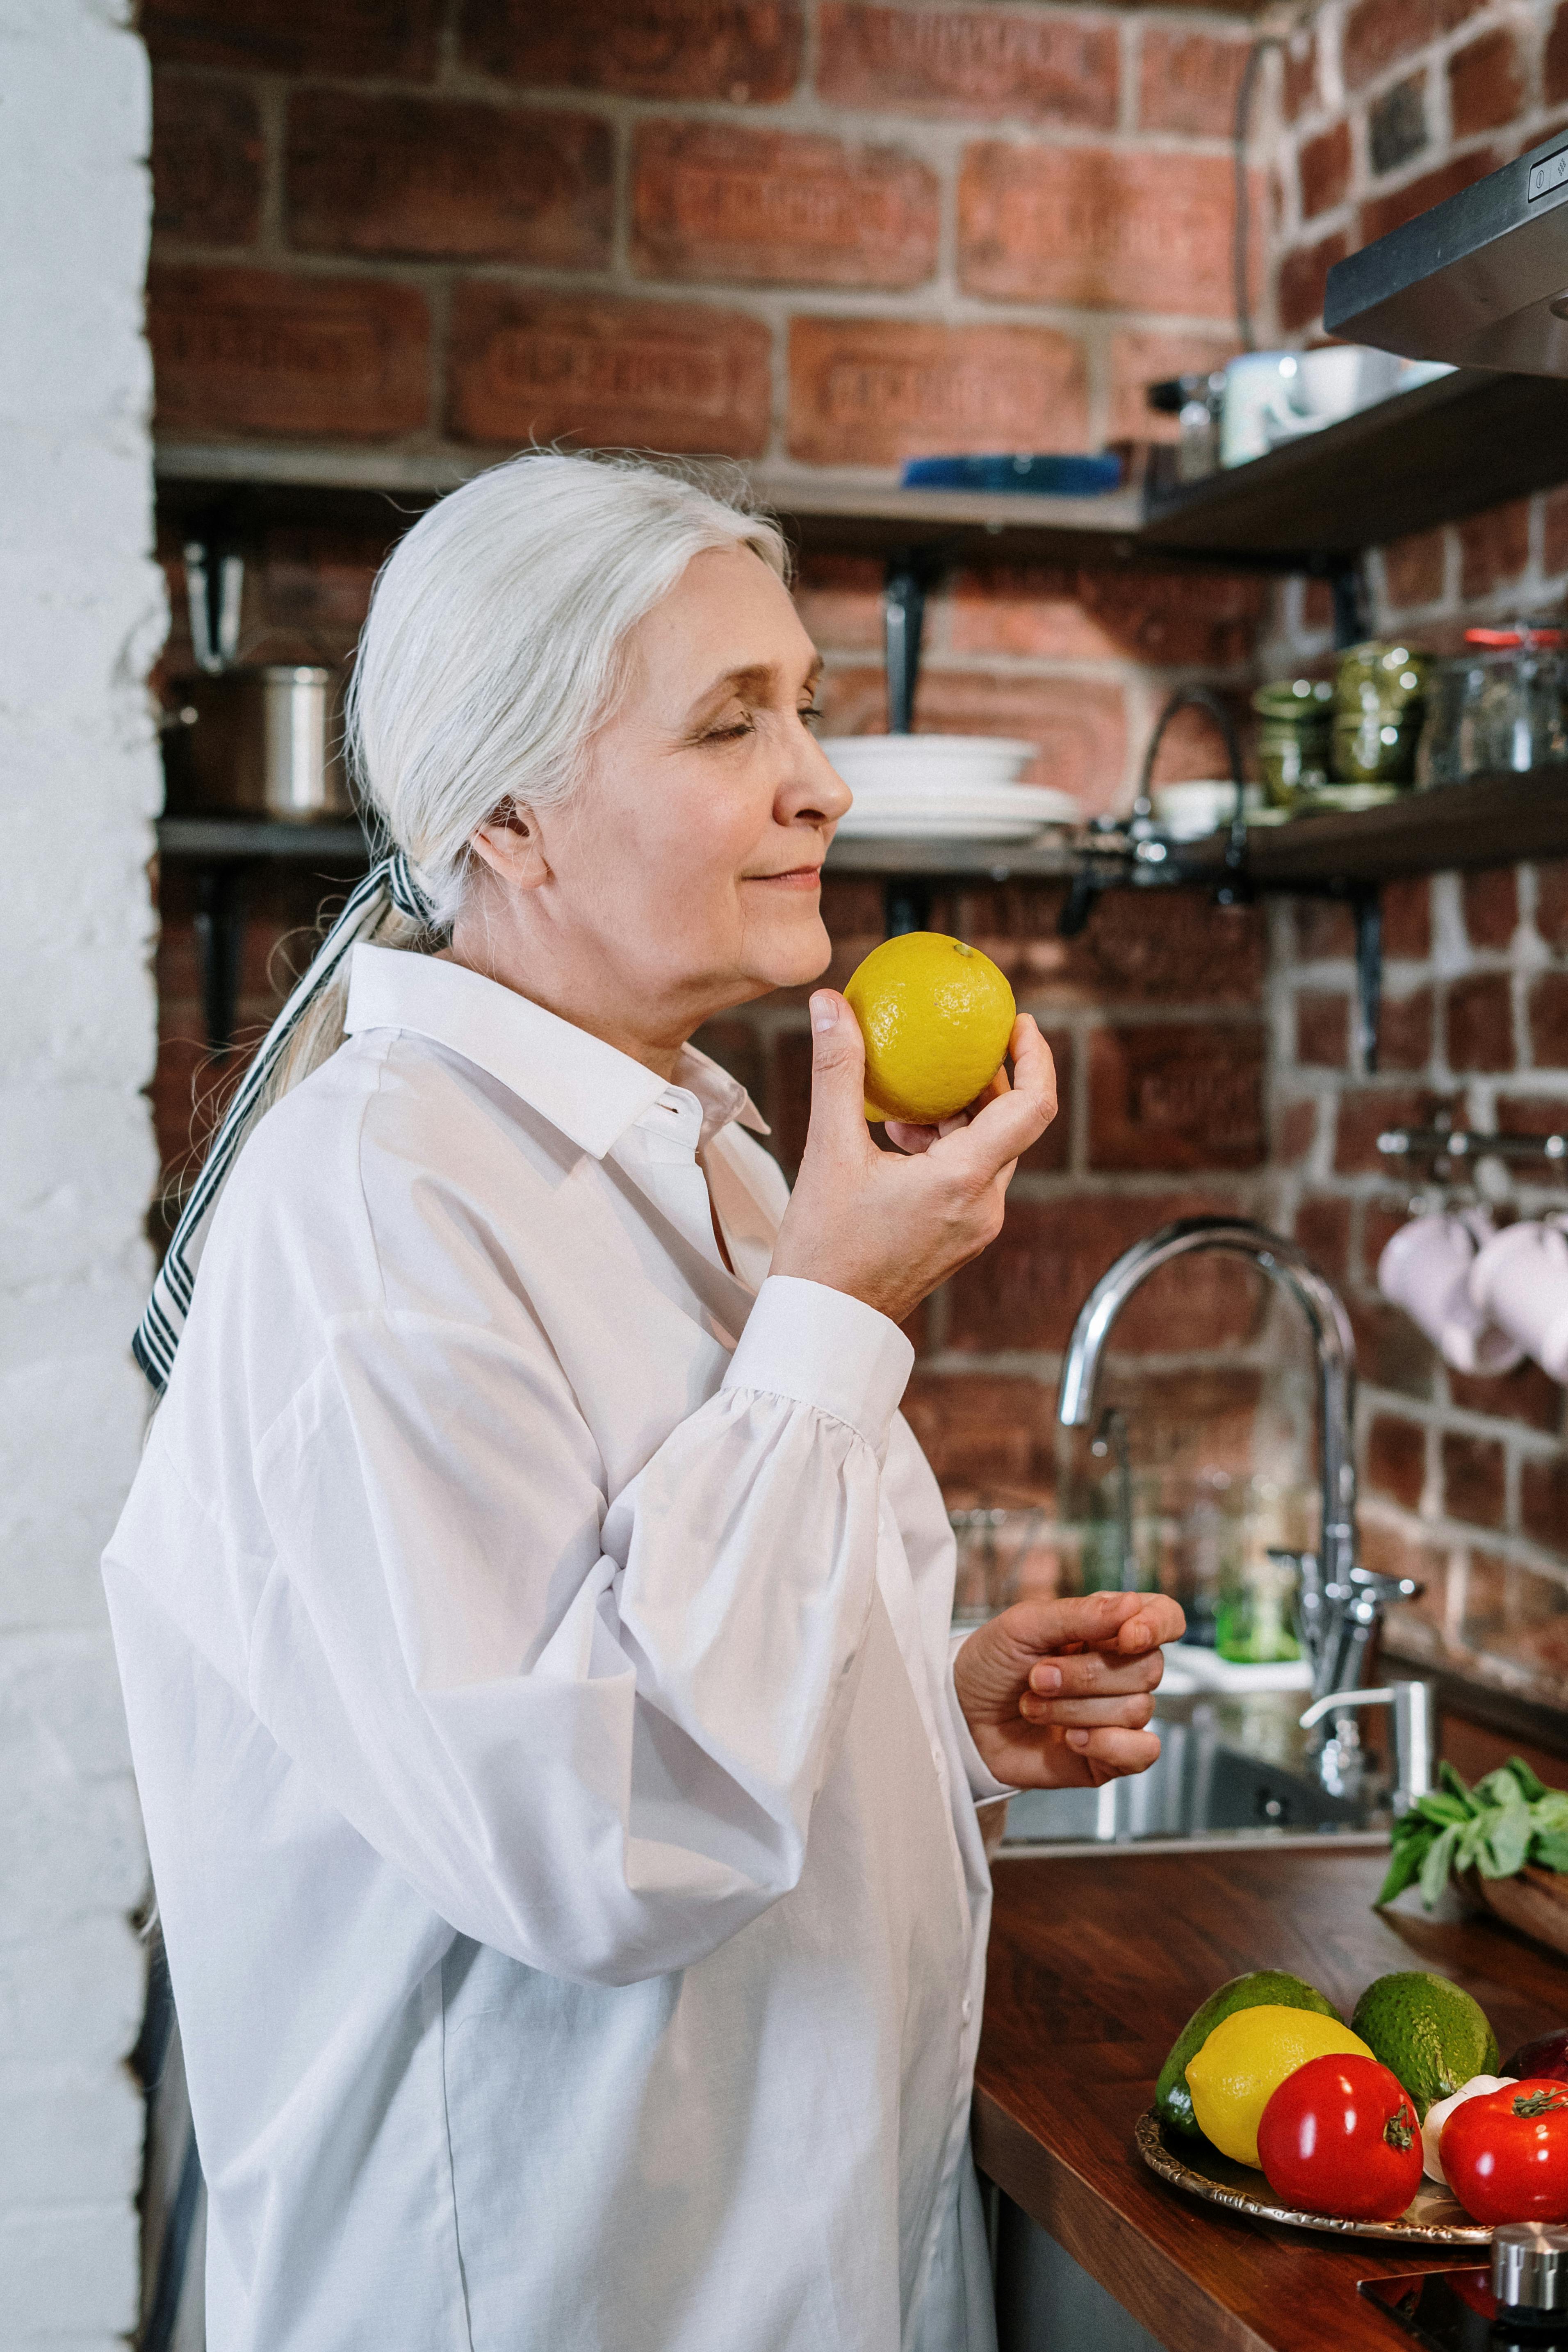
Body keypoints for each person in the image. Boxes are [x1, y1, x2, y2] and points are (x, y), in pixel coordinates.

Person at [105, 452, 1182, 2352]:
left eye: (807, 709)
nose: (820, 784)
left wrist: (925, 1720)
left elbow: (680, 1687)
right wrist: (838, 1309)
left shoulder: (704, 1156)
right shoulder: (380, 1204)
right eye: (728, 723)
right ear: (512, 813)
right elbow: (586, 1842)